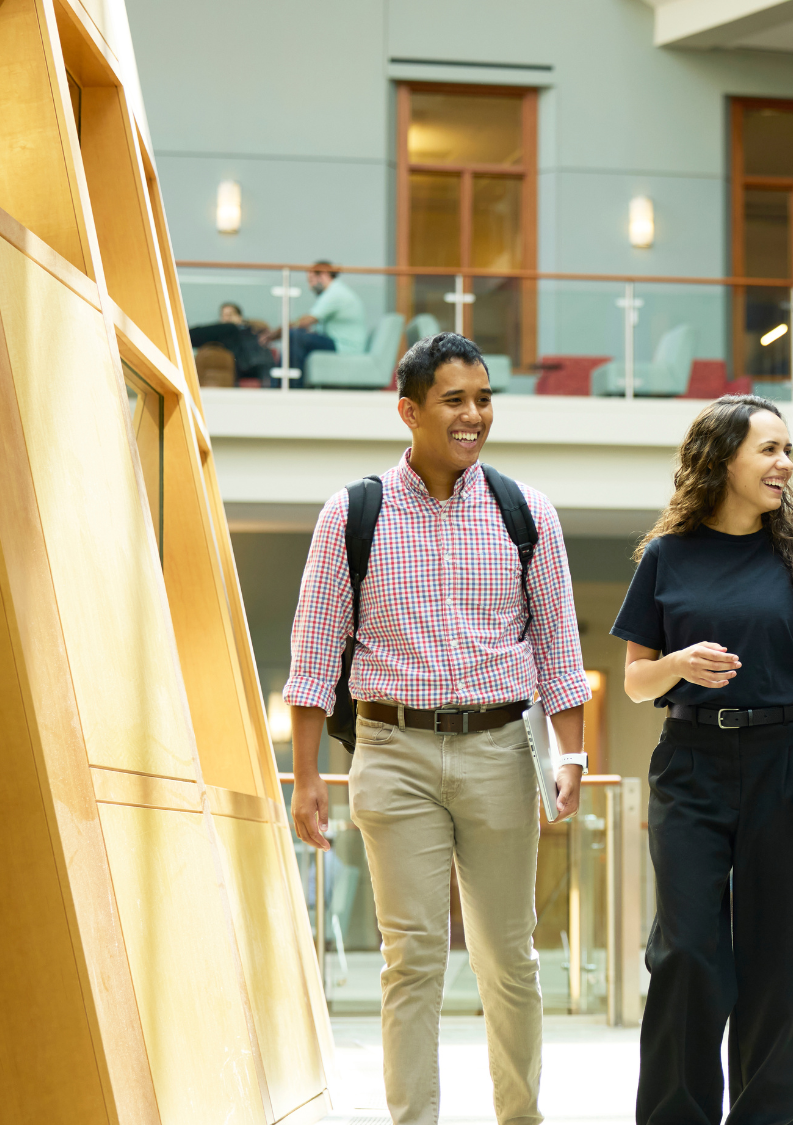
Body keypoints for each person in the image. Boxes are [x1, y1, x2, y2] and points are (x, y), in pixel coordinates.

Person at [285, 331, 591, 1125]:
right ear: (409, 411)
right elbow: (315, 655)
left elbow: (560, 647)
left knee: (509, 961)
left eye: (483, 398)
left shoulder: (527, 513)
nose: (474, 415)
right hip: (394, 751)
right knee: (411, 961)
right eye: (454, 400)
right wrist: (310, 777)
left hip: (500, 750)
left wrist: (572, 754)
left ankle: (519, 1117)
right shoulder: (353, 514)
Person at [613, 394, 793, 1125]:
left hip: (785, 758)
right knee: (687, 950)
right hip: (690, 761)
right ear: (723, 459)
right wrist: (679, 662)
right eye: (770, 449)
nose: (785, 463)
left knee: (780, 960)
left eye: (788, 449)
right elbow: (634, 680)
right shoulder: (666, 555)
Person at [283, 260, 369, 379]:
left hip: (344, 346)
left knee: (295, 336)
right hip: (336, 342)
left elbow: (307, 320)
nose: (310, 286)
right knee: (298, 336)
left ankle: (290, 385)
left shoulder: (336, 292)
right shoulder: (335, 291)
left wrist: (275, 334)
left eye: (311, 280)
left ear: (323, 275)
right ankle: (287, 383)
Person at [188, 301, 274, 384]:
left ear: (240, 317)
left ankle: (185, 334)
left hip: (254, 364)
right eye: (223, 316)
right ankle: (185, 335)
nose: (226, 318)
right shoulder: (225, 333)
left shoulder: (249, 330)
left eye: (230, 315)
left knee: (230, 327)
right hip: (239, 366)